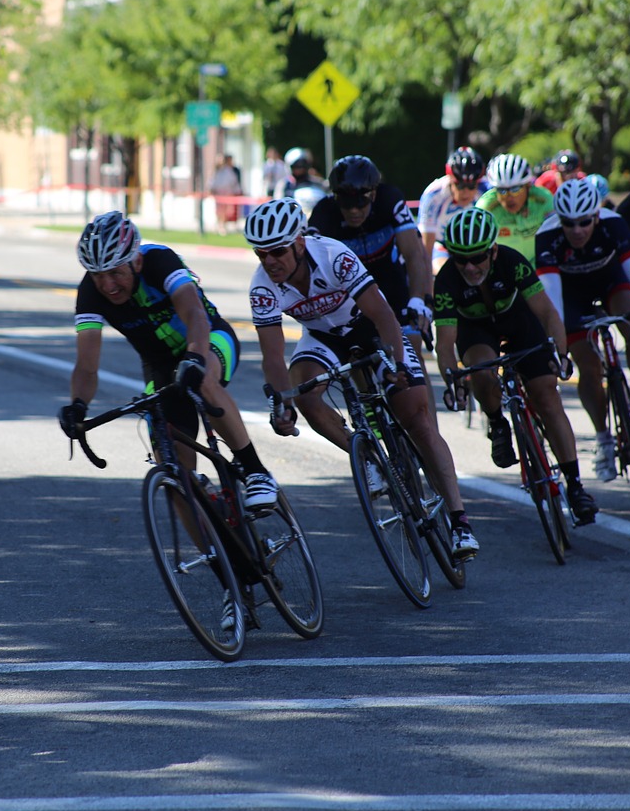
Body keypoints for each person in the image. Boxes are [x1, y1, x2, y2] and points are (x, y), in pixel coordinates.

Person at [246, 198, 479, 559]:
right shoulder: (262, 287)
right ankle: (369, 460)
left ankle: (459, 521)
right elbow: (273, 357)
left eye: (277, 251)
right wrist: (282, 403)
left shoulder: (333, 255)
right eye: (262, 254)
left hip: (369, 328)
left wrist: (397, 364)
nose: (270, 261)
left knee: (416, 418)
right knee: (306, 394)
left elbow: (383, 314)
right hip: (323, 339)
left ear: (299, 243)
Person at [58, 211, 279, 510]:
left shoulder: (160, 261)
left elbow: (195, 316)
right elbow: (86, 365)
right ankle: (215, 551)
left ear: (136, 261)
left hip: (207, 339)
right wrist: (78, 405)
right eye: (98, 275)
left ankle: (256, 471)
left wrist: (194, 358)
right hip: (159, 366)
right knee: (173, 469)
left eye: (115, 272)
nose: (108, 284)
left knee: (202, 382)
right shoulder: (89, 294)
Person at [433, 208, 599, 524]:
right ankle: (497, 422)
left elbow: (549, 314)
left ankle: (576, 487)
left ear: (493, 250)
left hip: (519, 322)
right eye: (460, 258)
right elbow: (445, 343)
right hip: (477, 331)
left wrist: (561, 354)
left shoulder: (512, 262)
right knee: (480, 373)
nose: (469, 266)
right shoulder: (446, 279)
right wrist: (453, 379)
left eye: (477, 257)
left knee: (547, 397)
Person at [534, 179, 630, 483]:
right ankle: (603, 438)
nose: (578, 230)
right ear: (559, 220)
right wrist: (559, 345)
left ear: (596, 216)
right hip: (571, 296)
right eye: (569, 223)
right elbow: (552, 298)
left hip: (611, 281)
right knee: (589, 366)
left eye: (585, 222)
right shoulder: (547, 236)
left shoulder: (615, 225)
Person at [308, 156, 434, 367]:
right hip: (352, 294)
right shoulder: (323, 213)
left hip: (392, 283)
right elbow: (311, 268)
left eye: (360, 203)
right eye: (346, 205)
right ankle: (367, 399)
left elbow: (414, 254)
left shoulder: (390, 199)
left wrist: (418, 300)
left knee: (412, 354)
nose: (354, 211)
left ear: (373, 194)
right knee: (356, 357)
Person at [474, 153, 556, 264]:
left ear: (527, 186)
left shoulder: (543, 199)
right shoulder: (486, 207)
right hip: (502, 268)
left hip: (536, 265)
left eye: (515, 189)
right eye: (502, 190)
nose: (509, 197)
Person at [419, 146, 489, 274]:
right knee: (444, 271)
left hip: (475, 245)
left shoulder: (487, 191)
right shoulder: (433, 196)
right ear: (450, 179)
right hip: (443, 245)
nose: (466, 192)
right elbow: (426, 249)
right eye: (460, 185)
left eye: (471, 186)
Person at [210, 154, 243, 236]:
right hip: (219, 194)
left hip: (227, 194)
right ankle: (219, 225)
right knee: (219, 211)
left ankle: (222, 226)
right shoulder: (216, 172)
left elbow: (233, 182)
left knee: (225, 212)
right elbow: (212, 182)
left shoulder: (228, 171)